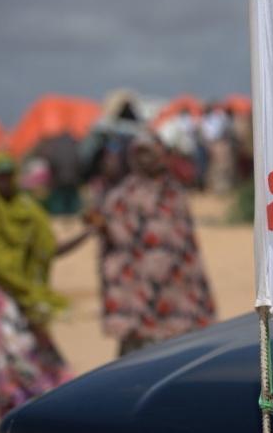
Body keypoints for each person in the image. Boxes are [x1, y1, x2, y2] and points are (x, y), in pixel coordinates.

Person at [0, 152, 91, 417]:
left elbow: (49, 248)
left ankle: (45, 409)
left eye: (7, 176)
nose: (3, 183)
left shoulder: (28, 210)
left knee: (27, 352)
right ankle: (15, 411)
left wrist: (86, 234)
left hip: (22, 296)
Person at [92, 132, 216, 356]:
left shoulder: (174, 194)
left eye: (149, 153)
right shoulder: (121, 196)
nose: (144, 159)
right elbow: (113, 238)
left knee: (179, 353)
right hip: (137, 290)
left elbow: (186, 243)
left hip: (176, 287)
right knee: (137, 357)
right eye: (139, 154)